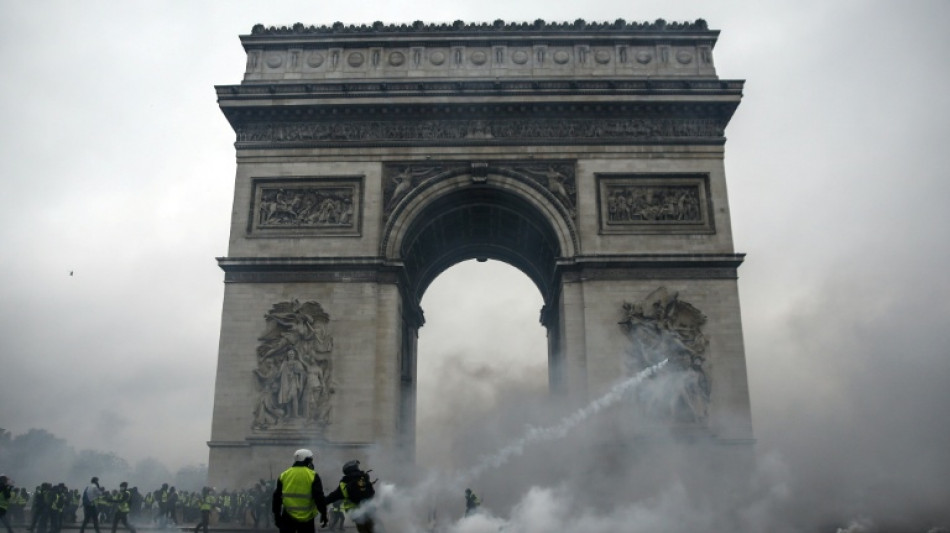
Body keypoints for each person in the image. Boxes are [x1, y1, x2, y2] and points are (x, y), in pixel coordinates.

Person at [272, 449, 328, 533]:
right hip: (307, 519)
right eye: (310, 460)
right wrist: (324, 513)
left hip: (287, 517)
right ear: (306, 460)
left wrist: (277, 516)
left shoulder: (284, 475)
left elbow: (277, 497)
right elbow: (319, 497)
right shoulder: (313, 475)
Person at [326, 460, 376, 533]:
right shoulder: (364, 478)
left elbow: (332, 497)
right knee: (374, 529)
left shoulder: (344, 484)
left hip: (357, 514)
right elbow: (372, 493)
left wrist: (320, 501)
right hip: (369, 512)